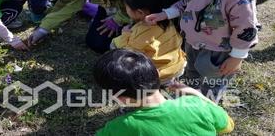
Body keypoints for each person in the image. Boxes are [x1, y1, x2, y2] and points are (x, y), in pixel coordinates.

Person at [94, 49, 234, 135]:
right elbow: (227, 126)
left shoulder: (122, 126)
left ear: (121, 98)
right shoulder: (197, 105)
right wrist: (199, 96)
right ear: (156, 75)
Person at [111, 0, 186, 85]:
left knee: (114, 46)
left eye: (126, 7)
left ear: (140, 12)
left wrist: (125, 35)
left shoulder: (143, 32)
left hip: (158, 75)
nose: (125, 10)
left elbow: (128, 52)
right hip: (176, 67)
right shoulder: (168, 22)